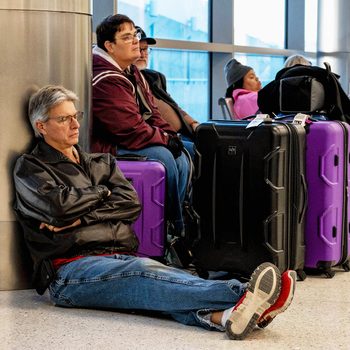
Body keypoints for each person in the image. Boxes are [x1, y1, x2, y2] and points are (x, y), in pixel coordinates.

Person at [13, 85, 297, 341]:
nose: (75, 124)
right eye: (64, 118)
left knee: (156, 290)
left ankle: (227, 317)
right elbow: (58, 207)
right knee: (143, 273)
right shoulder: (31, 167)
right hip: (70, 272)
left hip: (119, 256)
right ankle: (244, 293)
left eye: (76, 115)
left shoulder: (101, 163)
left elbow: (130, 203)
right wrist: (103, 193)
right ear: (41, 126)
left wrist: (84, 215)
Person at [91, 14, 189, 236]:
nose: (136, 40)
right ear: (109, 46)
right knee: (164, 157)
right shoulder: (105, 78)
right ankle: (172, 227)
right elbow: (128, 130)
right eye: (127, 37)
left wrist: (170, 135)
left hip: (131, 136)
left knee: (185, 153)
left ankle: (176, 220)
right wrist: (165, 139)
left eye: (134, 34)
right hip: (107, 146)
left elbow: (152, 112)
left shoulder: (131, 71)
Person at [133, 26, 199, 157]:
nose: (142, 54)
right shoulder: (125, 81)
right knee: (198, 151)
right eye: (138, 49)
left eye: (145, 49)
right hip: (161, 138)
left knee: (214, 143)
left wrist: (193, 123)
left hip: (181, 133)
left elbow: (174, 106)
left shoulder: (155, 77)